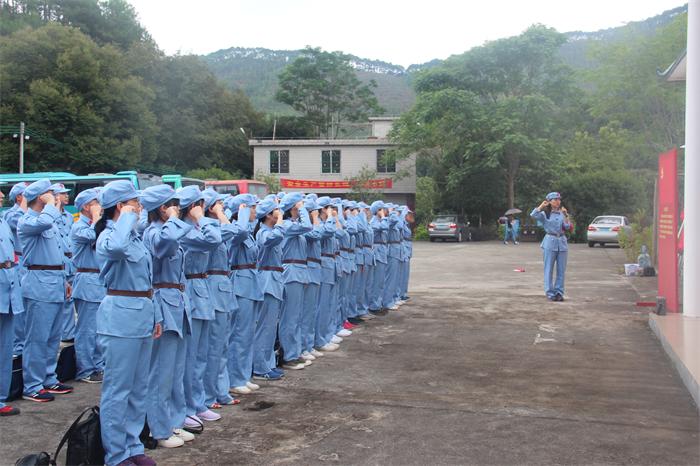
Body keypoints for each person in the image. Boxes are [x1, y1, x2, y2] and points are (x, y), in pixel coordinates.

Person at [95, 179, 161, 466]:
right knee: (118, 390)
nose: (140, 207)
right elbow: (117, 247)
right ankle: (116, 454)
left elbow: (147, 282)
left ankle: (133, 446)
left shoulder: (135, 238)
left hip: (142, 313)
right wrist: (126, 217)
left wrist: (155, 316)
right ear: (120, 206)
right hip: (120, 318)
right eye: (135, 202)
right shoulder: (109, 237)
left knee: (138, 388)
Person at [141, 184, 194, 448]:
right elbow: (166, 243)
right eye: (172, 205)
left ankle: (174, 420)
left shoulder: (167, 229)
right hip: (163, 301)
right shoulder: (153, 233)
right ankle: (158, 429)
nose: (177, 209)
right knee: (161, 372)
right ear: (162, 208)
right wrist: (173, 219)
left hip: (178, 302)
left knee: (175, 371)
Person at [17, 178, 73, 402]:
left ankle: (49, 378)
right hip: (39, 283)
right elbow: (45, 221)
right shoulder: (27, 220)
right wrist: (50, 204)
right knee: (37, 338)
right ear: (41, 197)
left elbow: (58, 254)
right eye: (50, 193)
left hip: (55, 280)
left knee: (53, 337)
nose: (56, 196)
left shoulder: (48, 220)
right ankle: (32, 385)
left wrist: (65, 280)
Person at [176, 185, 223, 424]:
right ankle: (186, 407)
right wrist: (200, 218)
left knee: (201, 354)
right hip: (191, 291)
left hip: (202, 290)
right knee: (190, 357)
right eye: (201, 205)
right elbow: (214, 239)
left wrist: (200, 220)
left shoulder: (195, 227)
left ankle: (198, 402)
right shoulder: (185, 231)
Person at [201, 189, 244, 409]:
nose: (222, 207)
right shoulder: (207, 228)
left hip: (223, 287)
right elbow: (235, 230)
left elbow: (237, 231)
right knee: (213, 347)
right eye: (218, 203)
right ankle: (209, 395)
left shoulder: (217, 226)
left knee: (222, 345)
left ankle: (221, 391)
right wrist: (218, 214)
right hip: (213, 287)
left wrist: (219, 214)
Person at [225, 194, 262, 394]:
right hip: (240, 284)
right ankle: (235, 378)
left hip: (250, 282)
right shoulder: (235, 230)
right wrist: (242, 214)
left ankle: (243, 375)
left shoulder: (248, 232)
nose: (255, 211)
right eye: (251, 207)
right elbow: (239, 233)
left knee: (248, 333)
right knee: (239, 333)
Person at [71, 188, 106, 384]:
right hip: (87, 280)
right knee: (87, 330)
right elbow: (94, 235)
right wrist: (96, 217)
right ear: (86, 207)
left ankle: (98, 366)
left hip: (100, 281)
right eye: (96, 203)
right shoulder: (79, 226)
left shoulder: (96, 224)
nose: (100, 206)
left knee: (100, 329)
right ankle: (85, 369)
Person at [278, 192, 313, 370]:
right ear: (293, 207)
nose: (302, 206)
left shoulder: (294, 225)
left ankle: (295, 351)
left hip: (299, 271)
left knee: (296, 316)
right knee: (289, 317)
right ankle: (288, 355)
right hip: (291, 271)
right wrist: (302, 210)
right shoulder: (286, 224)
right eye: (299, 204)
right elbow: (308, 226)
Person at [252, 197, 286, 381]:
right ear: (267, 215)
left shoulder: (271, 231)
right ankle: (260, 367)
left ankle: (269, 364)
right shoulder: (263, 233)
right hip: (267, 280)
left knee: (271, 327)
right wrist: (280, 220)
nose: (279, 213)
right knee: (265, 326)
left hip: (274, 279)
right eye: (275, 211)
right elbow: (275, 238)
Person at [300, 194, 333, 361]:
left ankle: (309, 344)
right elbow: (317, 234)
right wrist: (314, 217)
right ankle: (302, 347)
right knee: (305, 312)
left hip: (314, 268)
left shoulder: (315, 224)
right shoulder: (305, 226)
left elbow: (328, 230)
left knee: (311, 311)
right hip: (307, 269)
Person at [0, 189, 21, 416]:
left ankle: (1, 398)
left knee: (5, 348)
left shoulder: (3, 222)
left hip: (7, 285)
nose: (1, 195)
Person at [531, 192, 570, 301]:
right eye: (555, 199)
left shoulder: (562, 213)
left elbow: (567, 227)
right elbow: (533, 215)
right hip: (550, 242)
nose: (558, 201)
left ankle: (559, 292)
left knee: (561, 270)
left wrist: (566, 215)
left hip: (562, 242)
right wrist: (541, 206)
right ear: (549, 201)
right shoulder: (545, 214)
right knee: (548, 269)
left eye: (559, 199)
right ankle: (550, 293)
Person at [50, 183, 77, 343]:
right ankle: (66, 333)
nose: (66, 196)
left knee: (71, 298)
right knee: (64, 299)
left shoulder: (69, 216)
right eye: (62, 194)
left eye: (66, 193)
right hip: (59, 259)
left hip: (71, 259)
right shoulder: (50, 216)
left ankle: (69, 332)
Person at [314, 197, 341, 352]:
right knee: (322, 305)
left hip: (331, 264)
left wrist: (334, 217)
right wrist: (331, 216)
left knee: (329, 303)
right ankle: (320, 339)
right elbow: (328, 231)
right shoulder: (319, 224)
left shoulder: (328, 222)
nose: (332, 210)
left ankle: (327, 334)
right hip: (323, 265)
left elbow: (341, 233)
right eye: (329, 208)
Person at [4, 182, 28, 355]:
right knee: (17, 309)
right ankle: (18, 347)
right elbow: (26, 224)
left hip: (26, 264)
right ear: (19, 197)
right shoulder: (12, 215)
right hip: (17, 263)